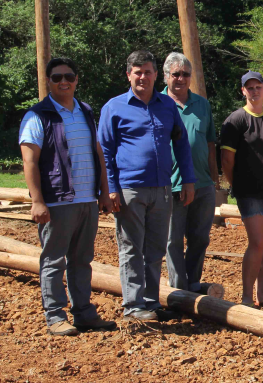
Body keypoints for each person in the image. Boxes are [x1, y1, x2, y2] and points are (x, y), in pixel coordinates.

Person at [18, 57, 117, 336]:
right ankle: (55, 316)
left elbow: (98, 153)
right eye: (57, 77)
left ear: (76, 80)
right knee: (53, 260)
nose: (64, 81)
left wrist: (104, 193)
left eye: (69, 77)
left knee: (82, 259)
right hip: (57, 201)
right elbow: (29, 162)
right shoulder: (37, 116)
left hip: (86, 200)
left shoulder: (85, 111)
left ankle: (84, 313)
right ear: (48, 81)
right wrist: (37, 201)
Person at [98, 50, 196, 321]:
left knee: (154, 249)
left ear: (156, 75)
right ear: (129, 74)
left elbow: (181, 144)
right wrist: (111, 188)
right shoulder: (114, 107)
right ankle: (133, 305)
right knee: (131, 247)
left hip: (162, 188)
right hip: (129, 189)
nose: (143, 76)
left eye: (148, 71)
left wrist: (187, 179)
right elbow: (104, 151)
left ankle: (151, 302)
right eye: (137, 72)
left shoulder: (166, 106)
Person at [220, 71, 263, 308]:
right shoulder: (235, 120)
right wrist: (236, 186)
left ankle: (262, 293)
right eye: (250, 88)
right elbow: (226, 160)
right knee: (256, 241)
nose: (255, 91)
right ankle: (246, 297)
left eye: (258, 87)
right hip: (248, 192)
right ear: (243, 91)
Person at [162, 52, 219, 293]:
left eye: (186, 74)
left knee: (200, 238)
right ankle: (178, 288)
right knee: (173, 240)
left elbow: (209, 143)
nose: (181, 79)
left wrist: (214, 178)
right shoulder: (157, 104)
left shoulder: (202, 105)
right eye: (176, 74)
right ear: (166, 76)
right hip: (170, 183)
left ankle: (193, 282)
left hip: (202, 183)